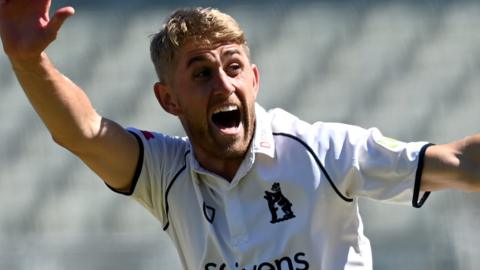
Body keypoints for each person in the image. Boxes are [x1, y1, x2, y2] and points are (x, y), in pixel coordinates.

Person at [1, 1, 480, 269]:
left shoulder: (321, 151)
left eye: (233, 68)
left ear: (254, 79)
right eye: (202, 73)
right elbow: (85, 133)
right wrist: (27, 59)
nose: (224, 84)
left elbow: (459, 162)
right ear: (168, 99)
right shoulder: (167, 174)